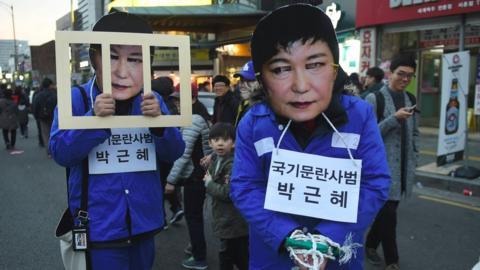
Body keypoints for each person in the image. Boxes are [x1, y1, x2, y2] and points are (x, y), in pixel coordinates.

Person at [230, 4, 390, 270]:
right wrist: (290, 237)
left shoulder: (359, 115)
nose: (301, 86)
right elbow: (245, 186)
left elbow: (375, 182)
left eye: (315, 64)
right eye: (281, 69)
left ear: (335, 68)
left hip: (340, 257)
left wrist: (327, 239)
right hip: (274, 257)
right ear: (263, 79)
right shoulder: (253, 123)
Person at [49, 12, 185, 270]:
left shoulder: (151, 100)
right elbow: (60, 153)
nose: (123, 71)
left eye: (135, 59)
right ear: (94, 60)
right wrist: (94, 119)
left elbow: (175, 151)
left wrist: (159, 123)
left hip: (145, 222)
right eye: (112, 57)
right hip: (99, 226)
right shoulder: (77, 99)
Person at [364, 54, 419, 270]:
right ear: (391, 74)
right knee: (389, 214)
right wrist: (393, 119)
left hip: (404, 167)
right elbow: (367, 136)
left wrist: (416, 153)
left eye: (410, 76)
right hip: (381, 169)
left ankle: (369, 245)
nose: (405, 79)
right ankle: (392, 260)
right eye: (401, 74)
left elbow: (415, 131)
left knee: (388, 213)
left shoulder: (411, 99)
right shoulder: (374, 99)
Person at [165, 85, 211, 270]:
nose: (176, 103)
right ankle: (196, 247)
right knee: (195, 216)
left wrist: (170, 181)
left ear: (192, 99)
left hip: (195, 177)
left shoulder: (193, 119)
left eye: (179, 99)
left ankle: (199, 257)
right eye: (175, 99)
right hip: (198, 175)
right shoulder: (196, 117)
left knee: (194, 218)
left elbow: (184, 154)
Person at [204, 122, 249, 270]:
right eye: (216, 140)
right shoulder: (217, 158)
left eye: (225, 140)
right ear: (210, 143)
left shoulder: (233, 163)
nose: (220, 144)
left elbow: (228, 193)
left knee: (233, 256)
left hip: (233, 221)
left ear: (234, 143)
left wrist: (209, 184)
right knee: (232, 255)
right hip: (225, 220)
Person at [151, 76, 184, 226]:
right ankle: (174, 208)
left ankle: (162, 216)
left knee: (160, 184)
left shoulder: (158, 104)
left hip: (159, 152)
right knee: (166, 183)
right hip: (168, 150)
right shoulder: (172, 104)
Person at [34, 77, 57, 156]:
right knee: (54, 133)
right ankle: (56, 150)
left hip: (42, 117)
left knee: (46, 134)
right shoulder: (54, 94)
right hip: (54, 116)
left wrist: (36, 116)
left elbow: (35, 106)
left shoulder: (39, 95)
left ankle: (49, 152)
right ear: (50, 85)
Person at [233, 60, 258, 127]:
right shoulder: (244, 102)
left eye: (249, 80)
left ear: (260, 82)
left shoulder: (262, 108)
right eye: (241, 80)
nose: (242, 85)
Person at [0, 85, 19, 151]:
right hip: (12, 118)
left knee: (4, 131)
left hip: (3, 117)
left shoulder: (1, 101)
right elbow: (17, 111)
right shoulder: (13, 102)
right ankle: (12, 144)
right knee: (13, 131)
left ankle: (7, 142)